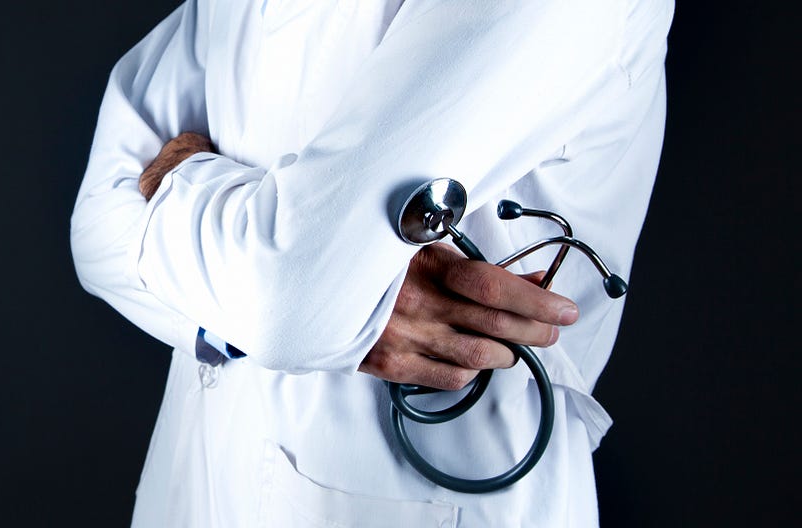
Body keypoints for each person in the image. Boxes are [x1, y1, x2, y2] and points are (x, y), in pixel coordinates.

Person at [69, 0, 672, 526]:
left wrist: (177, 181)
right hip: (197, 487)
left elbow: (289, 296)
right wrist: (297, 288)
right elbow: (95, 226)